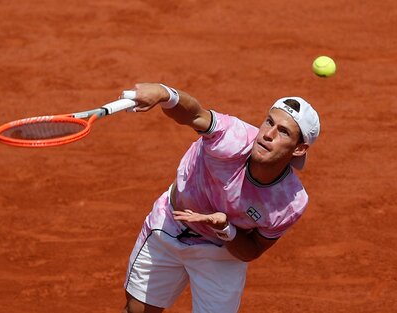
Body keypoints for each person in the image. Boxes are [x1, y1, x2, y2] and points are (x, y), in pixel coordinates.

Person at [120, 83, 320, 313]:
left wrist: (225, 229)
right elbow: (194, 114)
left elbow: (252, 249)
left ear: (299, 149)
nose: (268, 134)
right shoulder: (232, 138)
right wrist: (166, 94)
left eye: (283, 132)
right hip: (170, 226)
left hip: (221, 253)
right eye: (269, 122)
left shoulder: (289, 202)